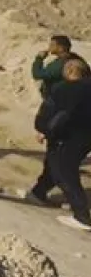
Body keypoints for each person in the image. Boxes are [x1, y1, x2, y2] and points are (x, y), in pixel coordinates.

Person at [29, 58, 91, 209]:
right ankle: (38, 192)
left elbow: (59, 114)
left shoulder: (64, 89)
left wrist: (45, 131)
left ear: (69, 71)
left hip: (65, 135)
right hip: (85, 138)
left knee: (63, 170)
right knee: (53, 164)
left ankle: (81, 213)